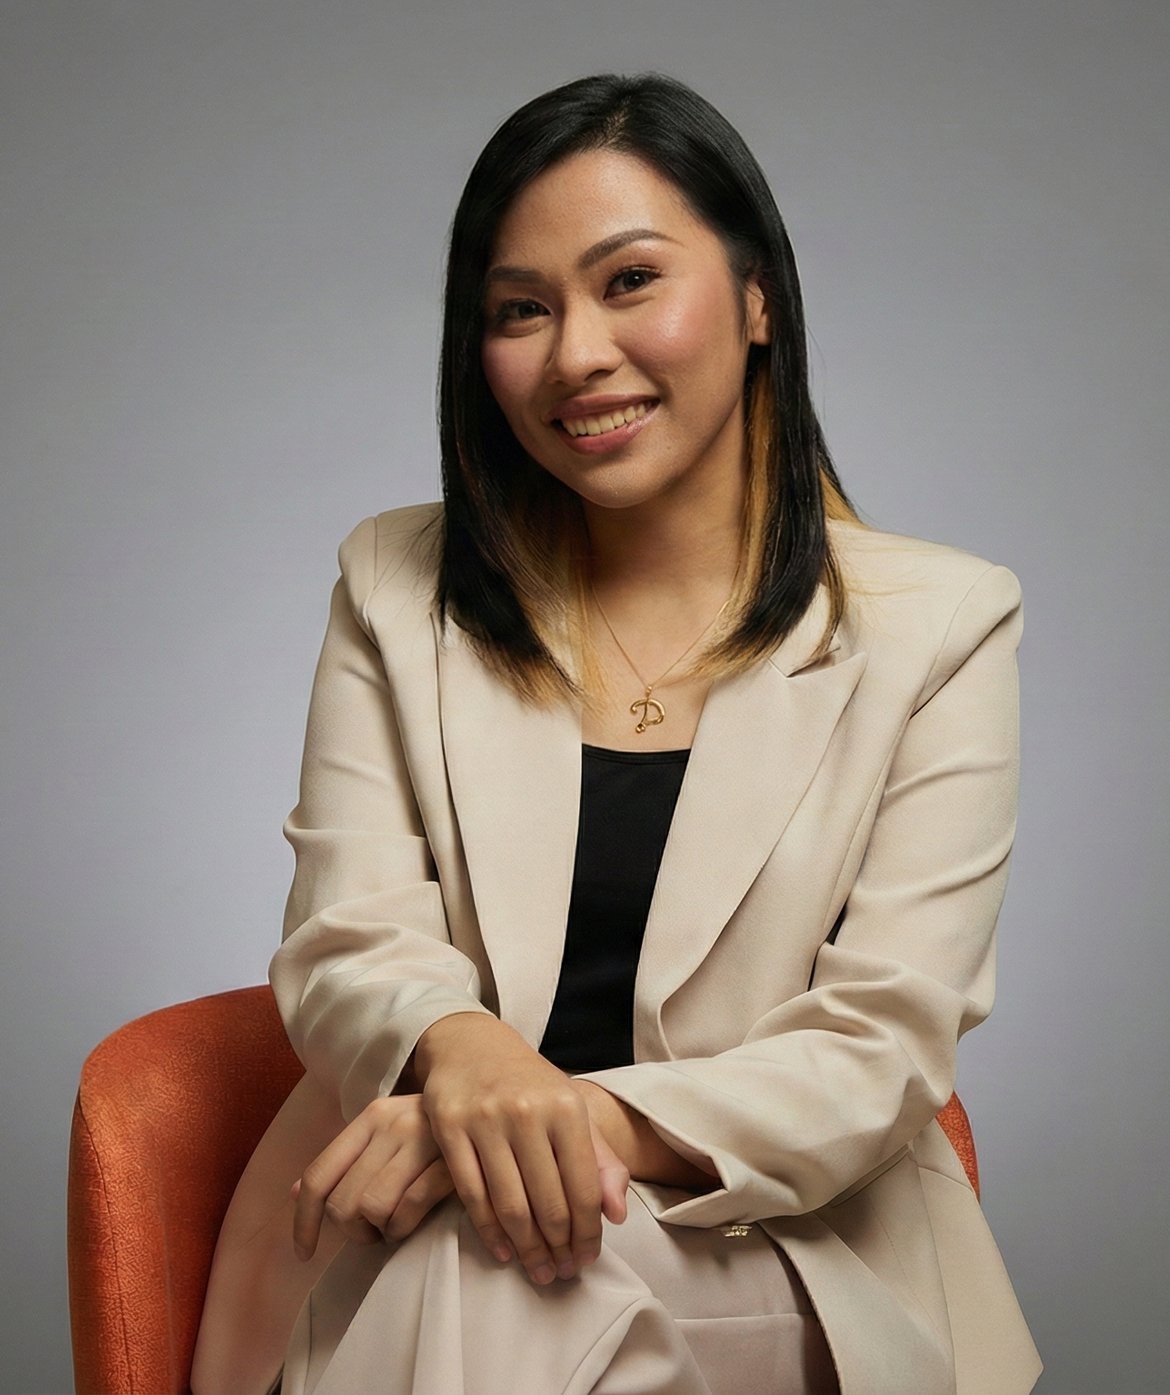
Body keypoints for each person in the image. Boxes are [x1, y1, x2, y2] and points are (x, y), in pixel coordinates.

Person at [191, 72, 1043, 1395]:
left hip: (777, 1245)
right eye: (519, 310)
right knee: (498, 1267)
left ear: (759, 299)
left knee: (495, 1263)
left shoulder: (940, 624)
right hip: (427, 1250)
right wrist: (466, 1058)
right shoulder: (394, 582)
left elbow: (878, 1047)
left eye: (629, 281)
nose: (576, 351)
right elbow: (347, 935)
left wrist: (553, 1121)